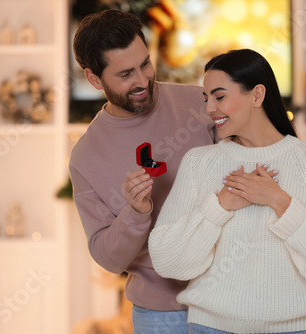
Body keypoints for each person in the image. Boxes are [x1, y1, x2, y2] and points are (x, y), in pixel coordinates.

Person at [149, 49, 306, 334]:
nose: (210, 108)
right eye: (206, 98)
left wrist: (279, 201)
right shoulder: (199, 163)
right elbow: (167, 260)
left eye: (219, 96)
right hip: (209, 328)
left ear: (257, 95)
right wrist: (219, 206)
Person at [70, 9, 232, 333]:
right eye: (125, 74)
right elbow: (108, 257)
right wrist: (135, 213)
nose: (143, 81)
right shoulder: (85, 157)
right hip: (161, 315)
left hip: (228, 298)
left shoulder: (201, 103)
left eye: (145, 64)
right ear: (93, 78)